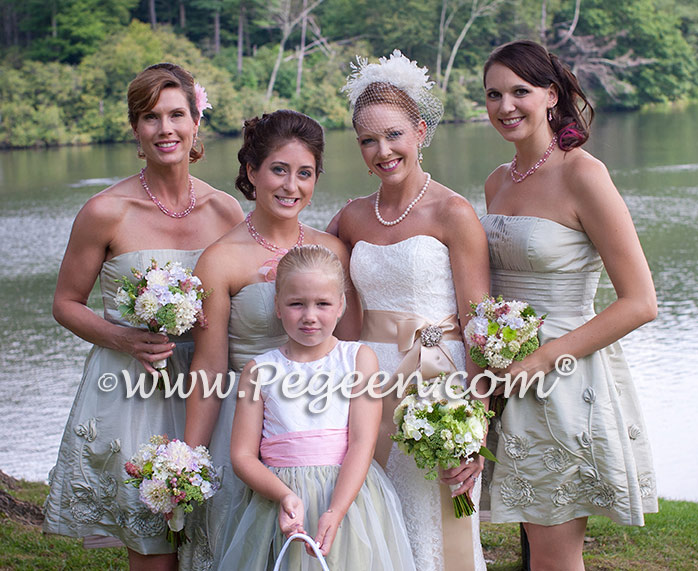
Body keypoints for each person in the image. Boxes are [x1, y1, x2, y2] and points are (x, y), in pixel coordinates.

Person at [42, 63, 244, 571]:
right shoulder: (106, 212)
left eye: (177, 114)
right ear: (135, 129)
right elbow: (65, 303)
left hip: (208, 388)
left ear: (197, 121)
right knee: (152, 544)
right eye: (150, 117)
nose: (165, 129)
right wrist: (123, 337)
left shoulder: (227, 213)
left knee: (214, 538)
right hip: (132, 392)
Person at [481, 40, 658, 570]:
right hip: (504, 377)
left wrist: (540, 358)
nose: (505, 105)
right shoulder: (496, 181)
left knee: (556, 555)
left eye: (520, 91)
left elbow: (640, 302)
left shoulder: (584, 174)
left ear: (551, 95)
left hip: (562, 378)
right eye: (493, 94)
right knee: (534, 547)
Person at [329, 50, 490, 571]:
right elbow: (311, 276)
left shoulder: (453, 212)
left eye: (394, 134)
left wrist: (476, 422)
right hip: (371, 384)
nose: (383, 150)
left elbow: (480, 324)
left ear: (421, 130)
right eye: (368, 140)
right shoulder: (351, 218)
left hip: (439, 382)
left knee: (439, 526)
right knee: (376, 522)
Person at [181, 109, 360, 569]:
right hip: (245, 424)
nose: (291, 186)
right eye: (279, 170)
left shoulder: (332, 250)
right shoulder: (220, 261)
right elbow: (208, 365)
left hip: (321, 429)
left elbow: (351, 348)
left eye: (305, 173)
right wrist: (190, 457)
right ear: (251, 172)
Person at [219, 245, 415, 569]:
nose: (310, 316)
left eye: (322, 304)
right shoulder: (259, 371)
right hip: (278, 501)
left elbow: (363, 442)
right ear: (278, 306)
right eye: (297, 304)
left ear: (341, 306)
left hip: (348, 499)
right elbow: (242, 455)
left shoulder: (358, 359)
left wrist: (336, 511)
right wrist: (283, 496)